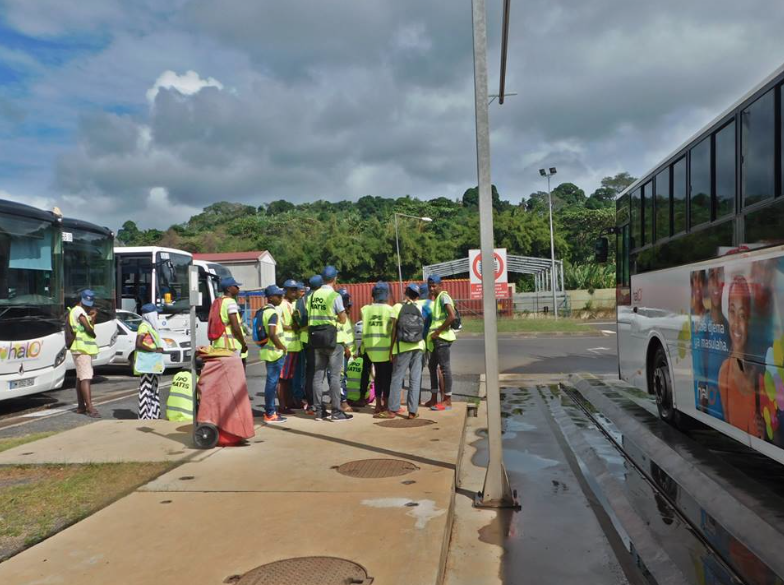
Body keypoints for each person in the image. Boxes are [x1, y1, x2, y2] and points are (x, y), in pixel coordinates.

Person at [718, 276, 763, 439]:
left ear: (749, 320)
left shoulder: (759, 371)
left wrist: (764, 432)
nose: (736, 323)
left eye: (742, 315)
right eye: (732, 312)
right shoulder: (725, 371)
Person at [309, 266, 353, 422]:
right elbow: (342, 318)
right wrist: (333, 318)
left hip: (315, 338)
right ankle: (336, 411)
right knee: (335, 376)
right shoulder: (334, 296)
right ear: (335, 279)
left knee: (318, 375)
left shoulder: (313, 296)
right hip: (331, 339)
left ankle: (318, 411)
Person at [384, 283, 426, 419]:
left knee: (397, 377)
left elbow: (393, 330)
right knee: (415, 379)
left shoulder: (397, 307)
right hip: (418, 346)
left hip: (402, 347)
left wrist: (391, 349)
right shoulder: (419, 307)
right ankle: (413, 411)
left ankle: (392, 410)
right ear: (417, 296)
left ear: (406, 293)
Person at [694, 268, 730, 419]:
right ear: (708, 285)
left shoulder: (730, 328)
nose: (716, 283)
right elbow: (702, 380)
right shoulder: (703, 325)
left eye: (720, 277)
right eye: (712, 277)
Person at [360, 282, 394, 415]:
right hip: (386, 349)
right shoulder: (390, 310)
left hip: (371, 349)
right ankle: (386, 404)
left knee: (377, 377)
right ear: (387, 295)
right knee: (387, 377)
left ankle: (378, 404)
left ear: (373, 295)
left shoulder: (365, 309)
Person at [258, 285, 288, 423]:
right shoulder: (272, 313)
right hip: (275, 353)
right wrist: (282, 347)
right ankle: (270, 413)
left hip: (268, 351)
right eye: (279, 295)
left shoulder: (263, 311)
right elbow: (272, 333)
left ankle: (270, 411)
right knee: (272, 383)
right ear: (271, 297)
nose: (281, 297)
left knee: (271, 382)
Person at [426, 275, 456, 411]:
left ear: (440, 285)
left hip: (442, 338)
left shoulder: (444, 297)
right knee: (432, 366)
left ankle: (447, 400)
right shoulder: (437, 299)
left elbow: (452, 316)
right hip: (436, 340)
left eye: (434, 286)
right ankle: (434, 398)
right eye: (430, 286)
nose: (431, 288)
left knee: (445, 368)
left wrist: (438, 331)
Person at [69, 289, 100, 418]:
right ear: (81, 299)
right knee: (86, 377)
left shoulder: (77, 311)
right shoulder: (79, 311)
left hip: (80, 348)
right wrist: (92, 321)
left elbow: (88, 327)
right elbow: (89, 330)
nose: (88, 305)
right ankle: (90, 407)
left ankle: (81, 406)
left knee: (80, 377)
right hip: (81, 349)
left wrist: (92, 318)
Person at [296, 275, 323, 414]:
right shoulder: (316, 298)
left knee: (309, 371)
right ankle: (314, 402)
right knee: (315, 371)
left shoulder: (301, 299)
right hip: (315, 337)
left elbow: (299, 319)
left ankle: (311, 400)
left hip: (304, 338)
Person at [136, 303, 165, 419]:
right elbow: (138, 344)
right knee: (146, 388)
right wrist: (154, 349)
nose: (157, 315)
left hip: (152, 363)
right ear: (150, 315)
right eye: (156, 313)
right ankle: (144, 415)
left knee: (153, 388)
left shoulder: (150, 327)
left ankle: (154, 414)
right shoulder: (144, 326)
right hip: (147, 363)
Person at [278, 280, 302, 413]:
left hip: (294, 345)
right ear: (285, 290)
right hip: (287, 346)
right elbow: (279, 324)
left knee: (289, 378)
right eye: (292, 290)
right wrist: (292, 326)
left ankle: (289, 402)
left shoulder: (293, 304)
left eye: (295, 289)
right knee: (283, 378)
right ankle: (282, 405)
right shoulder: (281, 305)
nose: (295, 292)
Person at [211, 277, 249, 358]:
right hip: (230, 345)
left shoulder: (220, 301)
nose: (238, 288)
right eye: (235, 286)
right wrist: (243, 343)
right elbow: (235, 327)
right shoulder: (230, 302)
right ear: (229, 289)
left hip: (219, 344)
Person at [337, 288, 355, 412]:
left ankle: (339, 399)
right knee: (340, 377)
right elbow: (338, 334)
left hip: (348, 353)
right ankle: (342, 402)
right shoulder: (337, 316)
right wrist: (346, 348)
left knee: (343, 377)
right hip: (343, 351)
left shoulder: (345, 316)